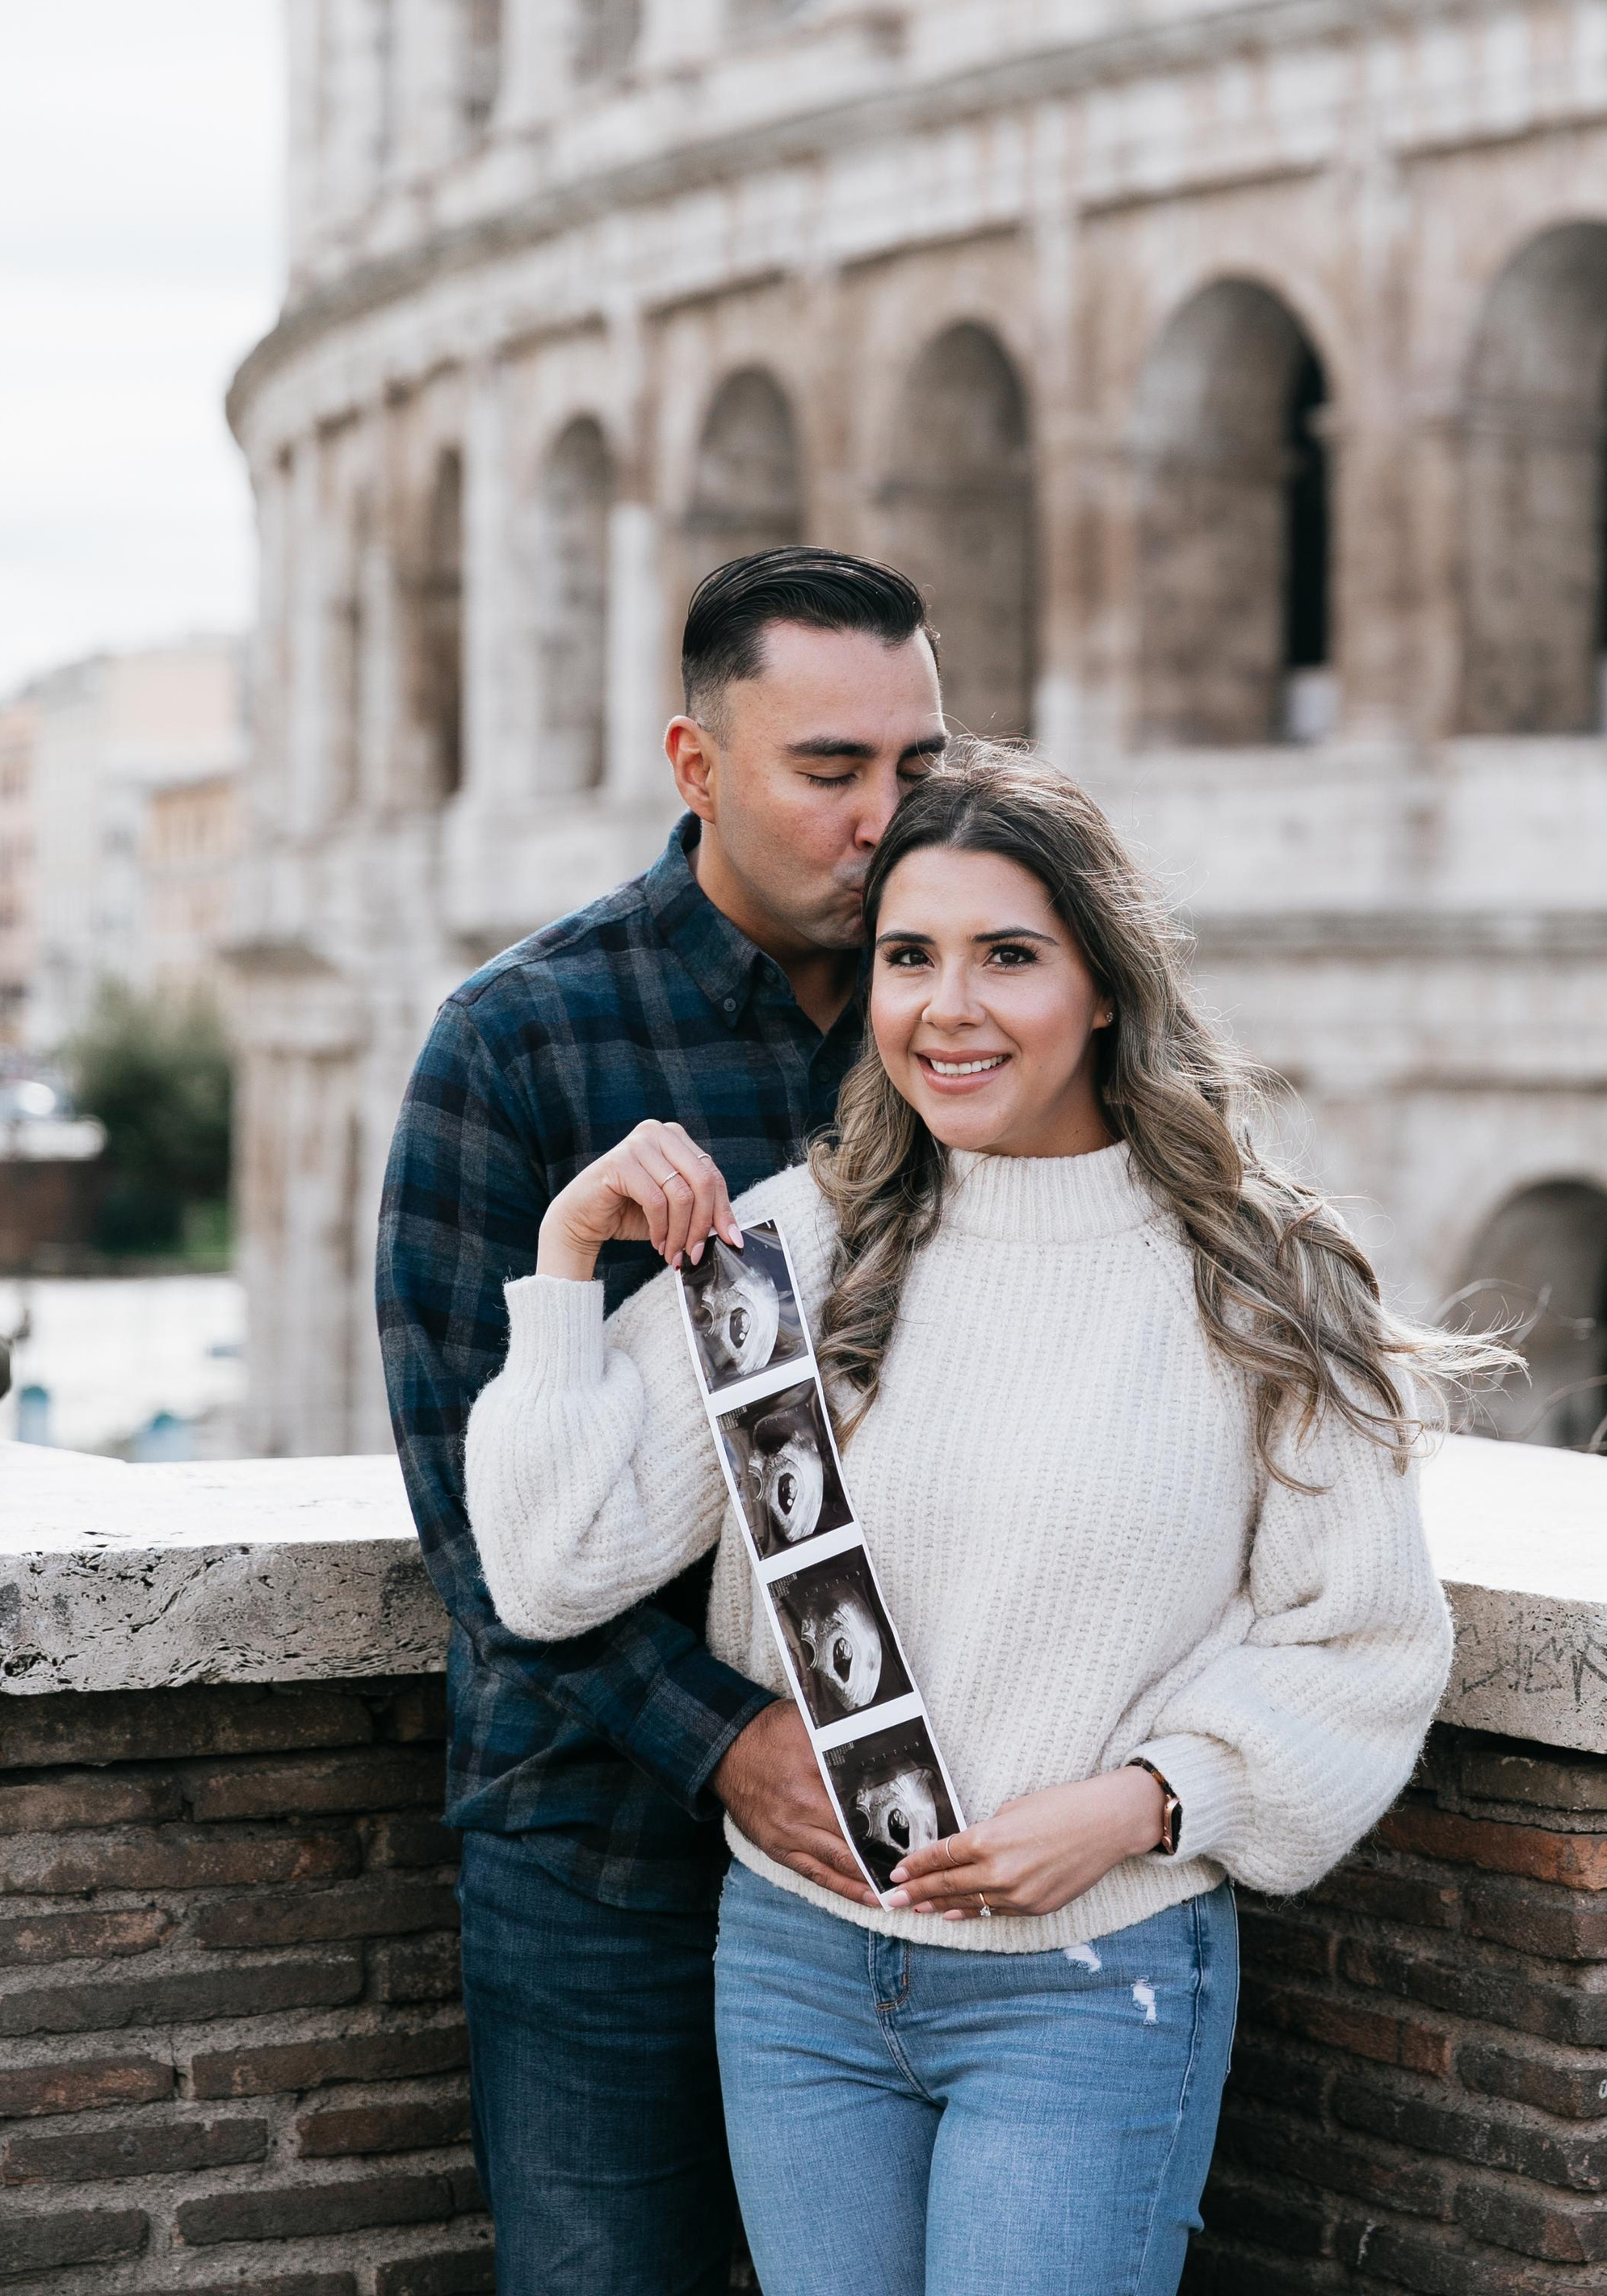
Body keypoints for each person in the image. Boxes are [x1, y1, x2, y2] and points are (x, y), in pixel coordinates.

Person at [466, 741, 1508, 2296]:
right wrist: (565, 1263)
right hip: (798, 1971)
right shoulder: (789, 1255)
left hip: (1090, 1982)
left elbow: (1359, 1642)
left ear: (1103, 985)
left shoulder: (1259, 1280)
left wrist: (1141, 1807)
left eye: (1006, 956)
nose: (947, 1008)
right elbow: (551, 1573)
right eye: (907, 958)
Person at [375, 547, 946, 2296]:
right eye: (830, 771)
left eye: (919, 766)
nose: (885, 815)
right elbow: (466, 1508)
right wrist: (727, 1743)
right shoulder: (517, 1041)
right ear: (696, 768)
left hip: (918, 1859)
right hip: (601, 1863)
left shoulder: (981, 1020)